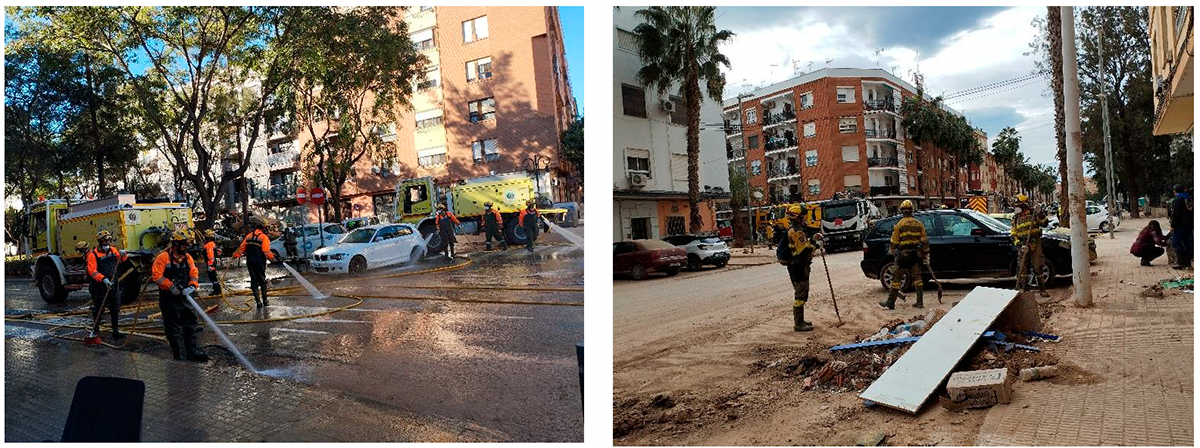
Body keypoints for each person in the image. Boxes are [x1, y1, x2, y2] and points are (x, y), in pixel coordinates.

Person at [150, 230, 207, 361]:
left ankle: (191, 351)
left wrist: (192, 285)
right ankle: (178, 354)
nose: (186, 247)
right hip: (169, 298)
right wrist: (170, 286)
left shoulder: (187, 257)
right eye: (184, 244)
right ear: (175, 243)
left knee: (190, 323)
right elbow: (157, 276)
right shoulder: (163, 257)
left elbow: (194, 272)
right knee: (173, 326)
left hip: (186, 297)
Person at [777, 205, 821, 331]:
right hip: (797, 267)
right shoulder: (796, 232)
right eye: (803, 217)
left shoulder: (795, 230)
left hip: (798, 265)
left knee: (803, 293)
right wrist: (815, 244)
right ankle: (798, 323)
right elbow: (804, 250)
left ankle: (801, 320)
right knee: (800, 293)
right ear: (798, 218)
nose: (805, 219)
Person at [880, 200, 928, 310]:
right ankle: (919, 302)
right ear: (912, 211)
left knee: (896, 279)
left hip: (903, 255)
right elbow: (925, 241)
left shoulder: (899, 225)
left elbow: (894, 242)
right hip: (916, 254)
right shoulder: (919, 224)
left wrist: (892, 252)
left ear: (902, 211)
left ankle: (890, 302)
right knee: (917, 278)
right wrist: (925, 252)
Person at [86, 230, 129, 339]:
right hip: (99, 286)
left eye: (109, 240)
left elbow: (120, 260)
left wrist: (124, 255)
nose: (107, 243)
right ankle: (95, 330)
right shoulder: (93, 254)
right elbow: (92, 271)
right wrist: (103, 279)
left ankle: (115, 331)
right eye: (105, 241)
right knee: (99, 308)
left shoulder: (113, 250)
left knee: (115, 307)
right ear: (99, 242)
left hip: (113, 283)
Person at [1012, 194, 1049, 297]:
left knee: (1038, 266)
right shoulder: (1015, 218)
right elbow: (1013, 234)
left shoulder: (1033, 214)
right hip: (1023, 245)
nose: (1016, 207)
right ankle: (1025, 289)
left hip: (1034, 242)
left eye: (1017, 205)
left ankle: (1042, 289)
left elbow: (1045, 223)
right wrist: (1020, 245)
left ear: (1024, 205)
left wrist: (1040, 213)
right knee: (1023, 267)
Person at [232, 217, 274, 308]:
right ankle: (265, 301)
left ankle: (258, 303)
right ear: (263, 228)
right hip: (259, 262)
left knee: (254, 280)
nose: (267, 230)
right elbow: (266, 251)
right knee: (262, 280)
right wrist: (273, 257)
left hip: (250, 261)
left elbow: (241, 248)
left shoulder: (249, 236)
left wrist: (235, 255)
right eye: (266, 228)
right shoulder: (264, 237)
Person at [1169, 184, 1193, 270]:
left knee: (1175, 243)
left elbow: (1175, 214)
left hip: (1180, 225)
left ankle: (1181, 262)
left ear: (1175, 191)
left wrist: (1173, 225)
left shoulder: (1178, 199)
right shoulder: (1189, 199)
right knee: (1187, 243)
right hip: (1189, 225)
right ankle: (1187, 262)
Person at [202, 229, 222, 296]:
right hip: (214, 263)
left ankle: (217, 291)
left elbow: (210, 256)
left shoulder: (209, 245)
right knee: (214, 277)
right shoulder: (212, 244)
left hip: (212, 264)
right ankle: (217, 289)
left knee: (212, 277)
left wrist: (210, 266)